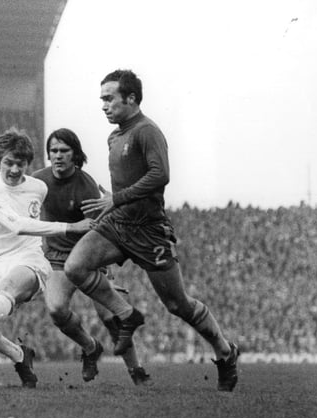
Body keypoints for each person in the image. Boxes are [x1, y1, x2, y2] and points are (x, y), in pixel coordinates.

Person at [64, 69, 239, 392]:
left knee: (178, 305)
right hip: (118, 225)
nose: (103, 105)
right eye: (101, 99)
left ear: (131, 98)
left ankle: (225, 352)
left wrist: (116, 198)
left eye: (109, 98)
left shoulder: (147, 131)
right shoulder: (114, 136)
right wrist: (112, 200)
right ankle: (126, 314)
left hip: (149, 231)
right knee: (75, 267)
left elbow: (160, 175)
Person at [0, 127, 93, 388]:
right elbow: (17, 224)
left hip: (30, 260)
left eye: (21, 164)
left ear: (28, 164)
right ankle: (20, 355)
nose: (15, 170)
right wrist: (70, 227)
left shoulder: (38, 188)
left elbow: (67, 192)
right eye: (9, 163)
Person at [33, 128, 150, 385]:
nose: (58, 156)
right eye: (54, 150)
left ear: (75, 154)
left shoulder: (86, 186)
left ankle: (137, 371)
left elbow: (100, 232)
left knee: (112, 318)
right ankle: (90, 348)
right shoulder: (38, 182)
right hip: (56, 259)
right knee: (56, 310)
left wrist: (105, 271)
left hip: (86, 260)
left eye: (64, 151)